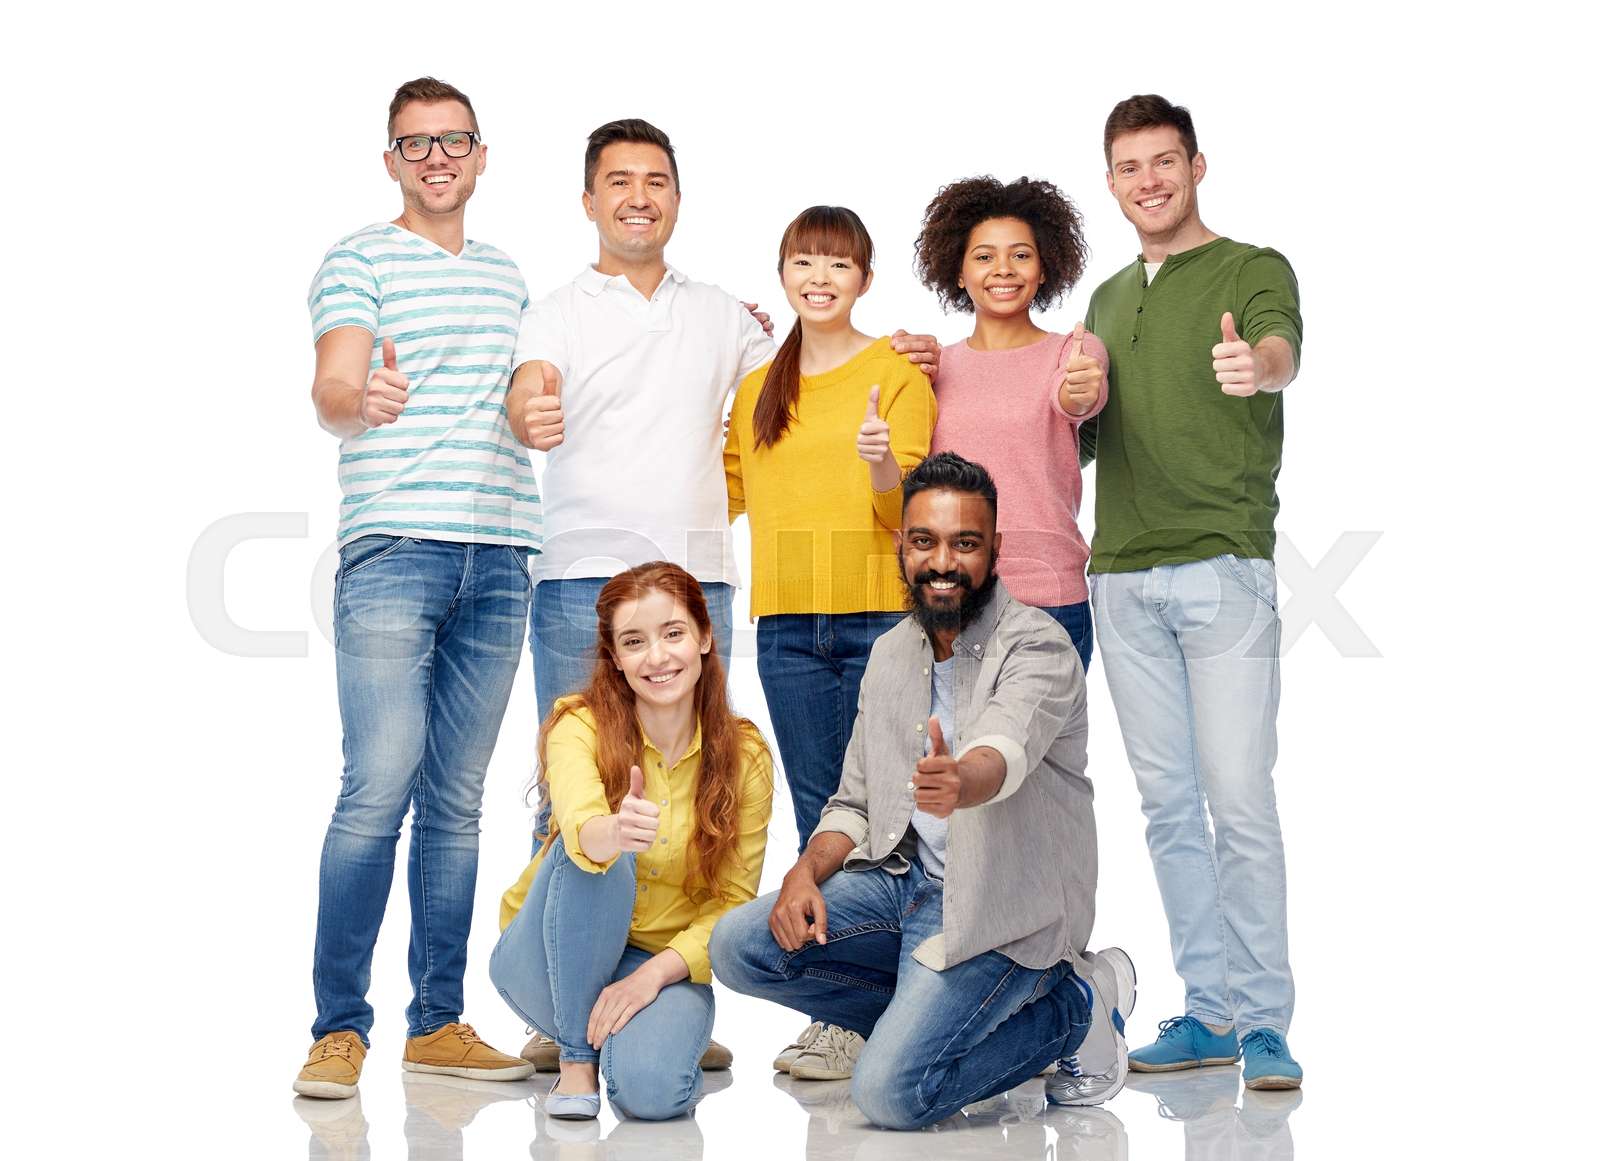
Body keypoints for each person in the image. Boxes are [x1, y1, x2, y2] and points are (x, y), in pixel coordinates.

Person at [506, 121, 939, 1072]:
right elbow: (530, 388)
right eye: (617, 181)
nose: (637, 195)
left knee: (705, 786)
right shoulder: (553, 310)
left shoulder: (730, 322)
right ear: (589, 201)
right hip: (582, 569)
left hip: (700, 576)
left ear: (676, 198)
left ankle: (672, 989)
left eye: (656, 180)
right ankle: (561, 1000)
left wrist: (894, 349)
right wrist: (528, 408)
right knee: (574, 791)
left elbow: (809, 376)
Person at [710, 452, 1135, 1129]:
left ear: (994, 549)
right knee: (739, 943)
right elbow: (852, 802)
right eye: (925, 540)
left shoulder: (1037, 646)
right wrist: (804, 871)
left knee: (890, 1094)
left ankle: (1076, 1003)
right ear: (903, 545)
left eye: (965, 543)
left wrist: (960, 780)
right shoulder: (891, 654)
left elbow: (1003, 750)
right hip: (901, 888)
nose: (943, 561)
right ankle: (932, 1022)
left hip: (1002, 910)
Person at [294, 77, 538, 1099]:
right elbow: (333, 387)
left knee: (455, 801)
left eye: (454, 141)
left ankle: (436, 1022)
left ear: (481, 156)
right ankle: (336, 1029)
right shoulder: (358, 257)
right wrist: (362, 400)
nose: (437, 158)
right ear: (391, 161)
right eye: (415, 144)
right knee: (377, 787)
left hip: (503, 552)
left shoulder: (508, 275)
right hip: (396, 545)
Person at [1080, 94, 1305, 1090]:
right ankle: (1208, 1014)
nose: (1148, 182)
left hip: (1222, 567)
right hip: (1120, 578)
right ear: (1112, 181)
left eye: (1163, 162)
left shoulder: (1250, 270)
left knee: (1237, 801)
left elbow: (1277, 349)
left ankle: (1264, 1024)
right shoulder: (1103, 300)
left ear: (1196, 166)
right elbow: (1079, 434)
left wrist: (1254, 368)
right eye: (1128, 167)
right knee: (1169, 807)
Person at [724, 204, 936, 1076]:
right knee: (823, 820)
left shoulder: (898, 372)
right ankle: (849, 1010)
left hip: (883, 622)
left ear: (865, 279)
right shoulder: (756, 388)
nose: (820, 278)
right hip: (785, 628)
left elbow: (912, 511)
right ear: (782, 274)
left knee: (894, 824)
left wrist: (884, 460)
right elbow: (721, 492)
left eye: (838, 265)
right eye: (804, 262)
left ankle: (906, 998)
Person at [490, 563, 774, 1120]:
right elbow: (578, 824)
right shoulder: (578, 725)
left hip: (658, 960)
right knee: (595, 855)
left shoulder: (747, 756)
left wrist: (650, 979)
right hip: (547, 954)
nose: (658, 657)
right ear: (615, 658)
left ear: (705, 637)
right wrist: (612, 832)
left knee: (652, 1097)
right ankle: (576, 1059)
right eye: (634, 642)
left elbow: (734, 904)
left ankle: (641, 1041)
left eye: (673, 634)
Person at [909, 175, 1109, 672]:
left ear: (1044, 270)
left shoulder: (1072, 352)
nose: (1003, 269)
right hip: (953, 600)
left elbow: (1077, 396)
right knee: (960, 749)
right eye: (984, 256)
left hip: (1050, 598)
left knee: (1046, 751)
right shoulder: (931, 369)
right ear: (957, 271)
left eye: (1021, 255)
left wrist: (1081, 388)